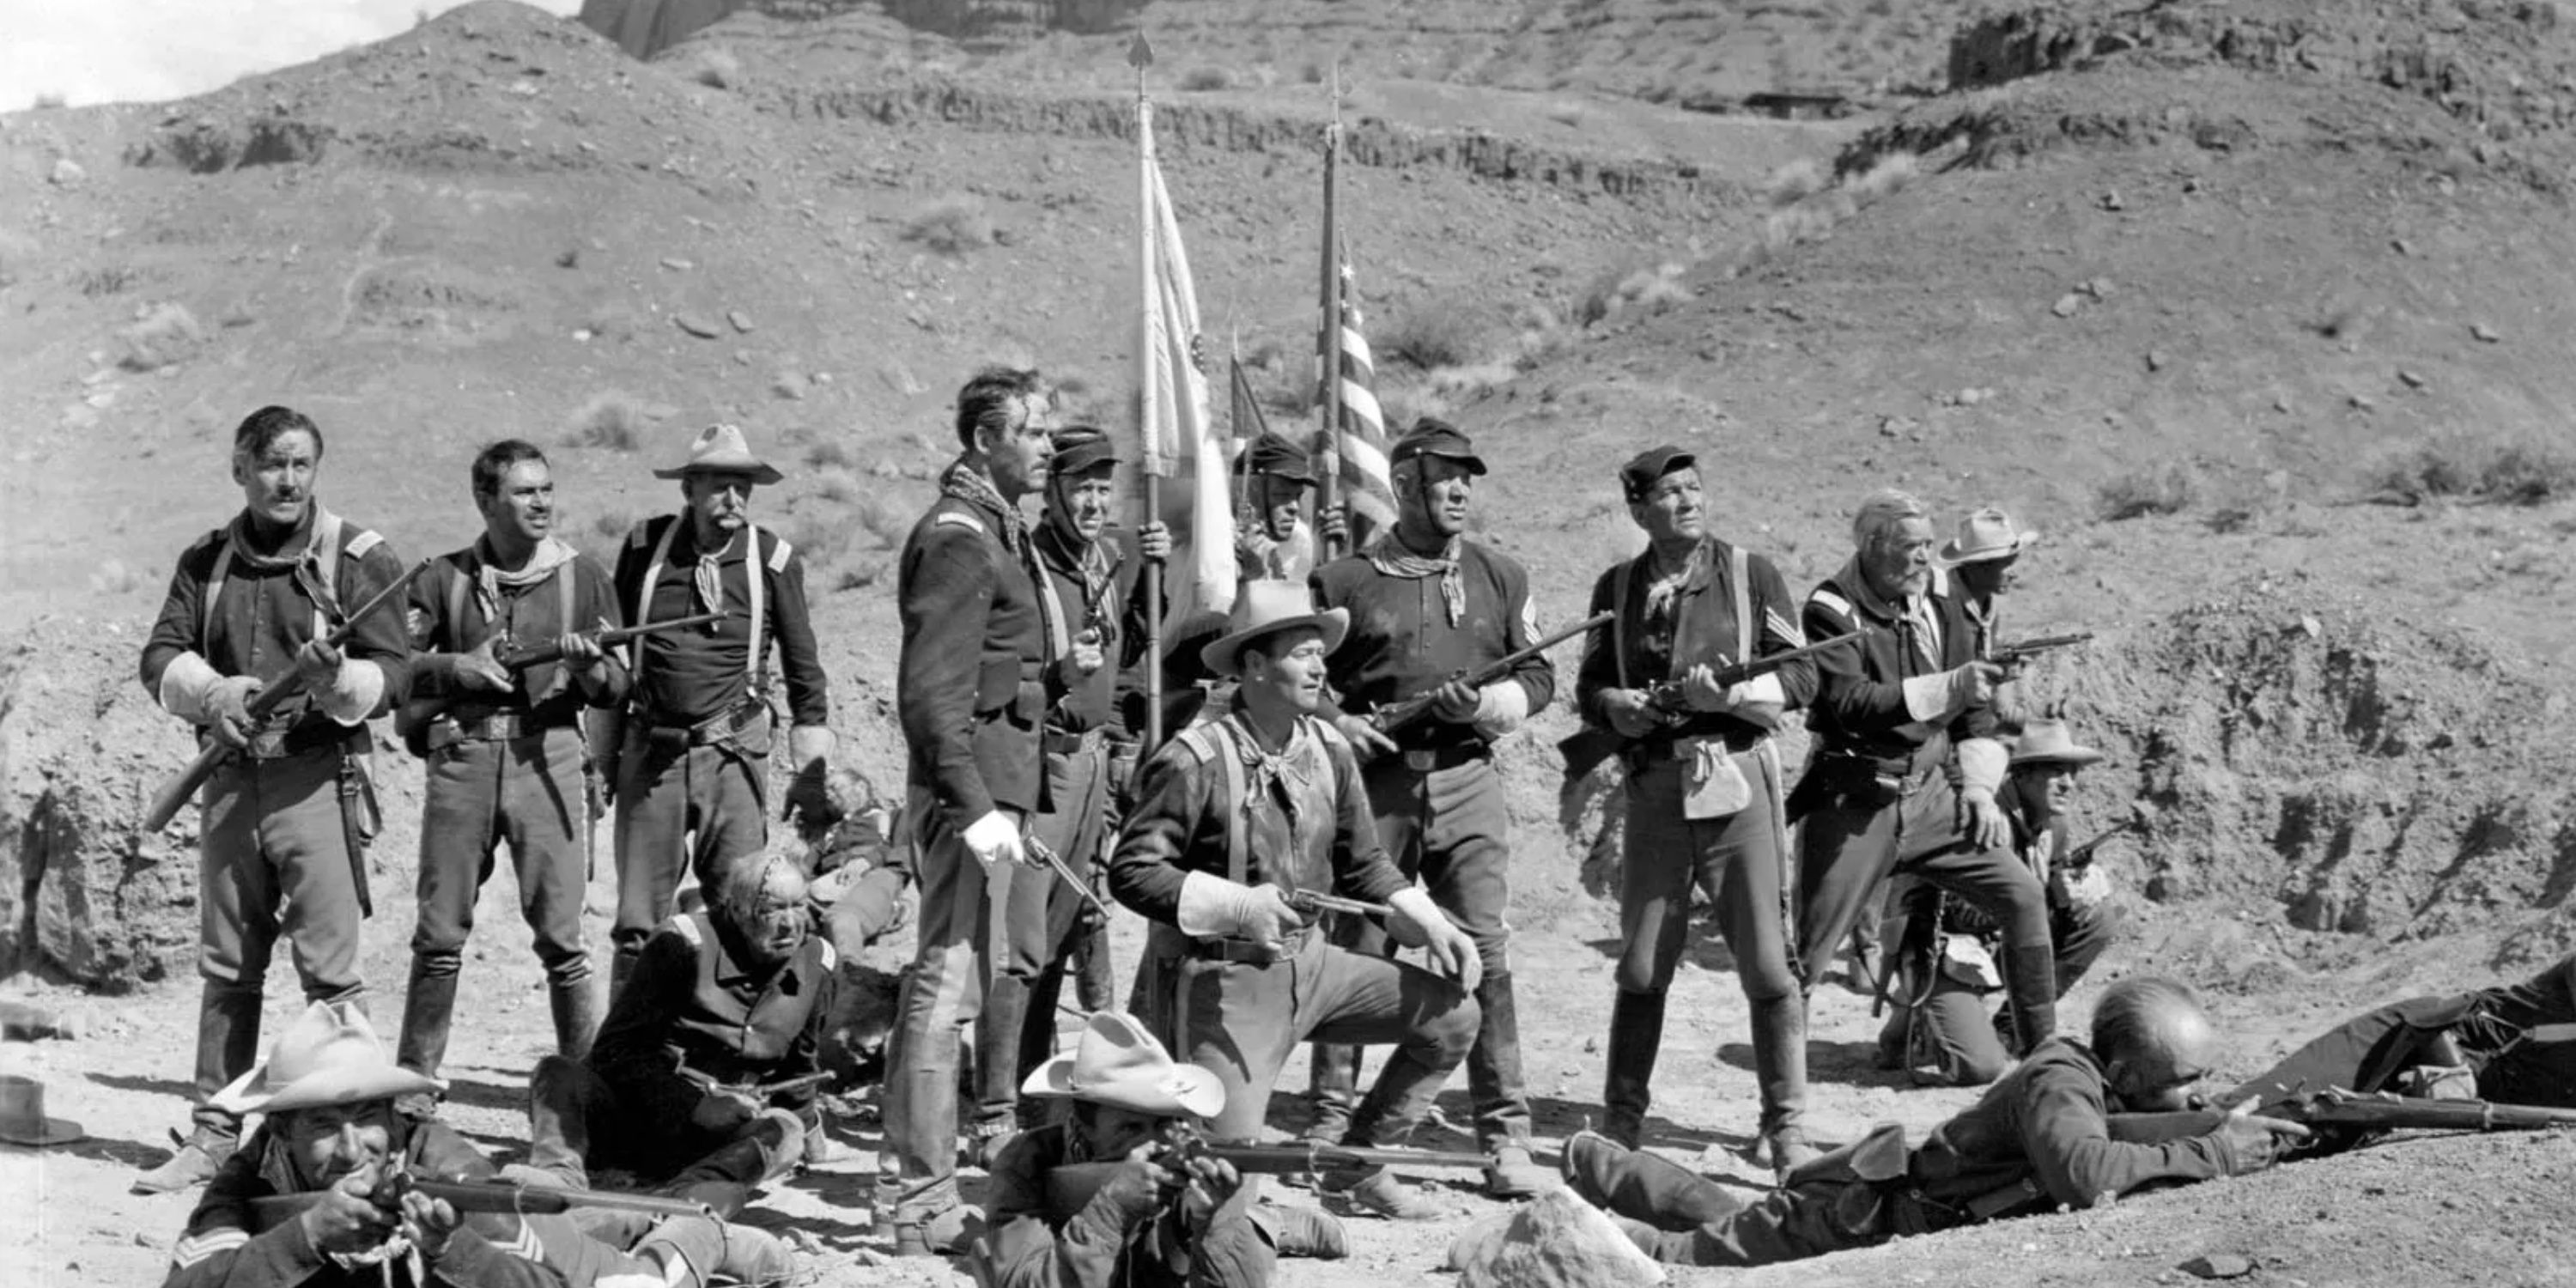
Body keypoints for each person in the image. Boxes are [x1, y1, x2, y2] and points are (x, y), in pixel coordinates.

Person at [1108, 580, 1485, 1221]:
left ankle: (1355, 1165)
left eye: (1321, 653)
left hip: (1313, 968)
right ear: (1254, 665)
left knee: (1454, 1018)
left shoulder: (1328, 749)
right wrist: (1236, 905)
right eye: (1303, 653)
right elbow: (1132, 871)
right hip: (1225, 988)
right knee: (1224, 1191)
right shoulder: (1193, 760)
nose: (1320, 667)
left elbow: (1360, 861)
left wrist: (1419, 910)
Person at [137, 405, 415, 1194]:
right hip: (228, 782)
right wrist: (211, 689)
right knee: (228, 966)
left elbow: (396, 673)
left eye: (300, 464)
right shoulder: (206, 561)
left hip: (315, 779)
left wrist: (339, 682)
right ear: (240, 470)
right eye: (271, 465)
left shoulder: (359, 557)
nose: (287, 480)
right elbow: (160, 652)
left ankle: (358, 1148)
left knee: (331, 973)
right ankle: (214, 1135)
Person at [1554, 977, 2307, 1267]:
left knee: (1743, 1222)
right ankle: (1563, 1208)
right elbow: (2084, 1177)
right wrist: (2216, 1153)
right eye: (2188, 1082)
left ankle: (1599, 1162)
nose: (2198, 1095)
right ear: (2134, 1077)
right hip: (1861, 1217)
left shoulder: (2101, 1086)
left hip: (1873, 1205)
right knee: (1683, 1259)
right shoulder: (2060, 1082)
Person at [1304, 418, 1556, 1200]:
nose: (1459, 490)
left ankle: (1505, 1135)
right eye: (1445, 477)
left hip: (1468, 780)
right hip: (1372, 791)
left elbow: (1541, 679)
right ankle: (1327, 1122)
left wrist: (1484, 703)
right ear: (1405, 484)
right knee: (1359, 944)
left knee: (1485, 950)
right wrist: (1340, 724)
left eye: (1467, 478)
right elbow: (1301, 677)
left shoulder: (1501, 574)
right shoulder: (1344, 582)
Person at [165, 999, 787, 1288]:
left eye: (367, 1117)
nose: (354, 1149)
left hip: (512, 1227)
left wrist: (450, 1245)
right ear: (280, 1131)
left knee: (640, 1281)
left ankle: (709, 1227)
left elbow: (541, 1281)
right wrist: (307, 1236)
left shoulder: (441, 1161)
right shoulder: (250, 1181)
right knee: (605, 1212)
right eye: (324, 1126)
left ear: (393, 1112)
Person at [1572, 446, 1820, 1167]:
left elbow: (1802, 674)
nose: (1687, 501)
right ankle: (1621, 1122)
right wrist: (1614, 705)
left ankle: (1787, 1128)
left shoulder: (1751, 575)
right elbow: (1589, 686)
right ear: (1637, 510)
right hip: (1653, 789)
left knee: (1769, 966)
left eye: (1694, 488)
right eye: (1670, 493)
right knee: (1643, 965)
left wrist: (1733, 698)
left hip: (1736, 781)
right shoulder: (1615, 587)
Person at [879, 367, 1057, 1254]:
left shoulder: (993, 530)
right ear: (986, 440)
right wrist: (976, 806)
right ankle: (920, 1204)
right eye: (1033, 432)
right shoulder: (960, 538)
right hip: (970, 799)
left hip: (991, 791)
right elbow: (931, 699)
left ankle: (899, 1187)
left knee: (947, 984)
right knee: (945, 989)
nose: (1048, 446)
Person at [1790, 489, 2060, 1063]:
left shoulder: (1938, 604)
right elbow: (1852, 703)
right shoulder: (1830, 610)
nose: (1922, 559)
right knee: (1806, 960)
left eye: (1926, 547)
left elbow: (1974, 715)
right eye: (1909, 548)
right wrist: (1952, 687)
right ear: (1872, 548)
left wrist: (1982, 792)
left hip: (1934, 797)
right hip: (1856, 801)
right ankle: (1781, 1113)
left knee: (2023, 896)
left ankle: (2046, 1065)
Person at [395, 440, 627, 1087]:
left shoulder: (586, 577)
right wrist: (455, 666)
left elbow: (617, 690)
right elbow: (392, 669)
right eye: (525, 492)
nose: (542, 502)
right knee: (439, 937)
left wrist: (591, 669)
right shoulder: (440, 579)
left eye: (547, 489)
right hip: (463, 756)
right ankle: (413, 1092)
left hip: (548, 754)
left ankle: (584, 1094)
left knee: (563, 941)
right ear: (485, 500)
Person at [971, 424, 1169, 1160]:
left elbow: (1136, 652)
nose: (1092, 500)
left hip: (1091, 767)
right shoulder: (1026, 563)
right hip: (1038, 762)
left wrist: (1156, 575)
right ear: (1051, 490)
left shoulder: (1108, 560)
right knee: (1017, 949)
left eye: (1100, 487)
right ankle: (992, 1111)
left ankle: (1033, 1095)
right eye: (1079, 485)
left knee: (1060, 942)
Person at [601, 422, 832, 995]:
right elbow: (609, 650)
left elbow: (804, 668)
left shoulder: (772, 560)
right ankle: (622, 1058)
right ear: (690, 489)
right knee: (637, 925)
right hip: (652, 754)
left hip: (733, 755)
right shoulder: (642, 548)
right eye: (719, 486)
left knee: (740, 910)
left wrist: (812, 771)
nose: (734, 499)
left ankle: (731, 1049)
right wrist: (602, 756)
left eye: (743, 487)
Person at [527, 848, 839, 1217]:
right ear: (736, 910)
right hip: (634, 1121)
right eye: (772, 910)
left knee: (783, 1131)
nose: (790, 924)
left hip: (712, 1145)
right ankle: (555, 1179)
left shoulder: (818, 964)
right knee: (557, 1073)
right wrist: (695, 1105)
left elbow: (799, 1069)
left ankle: (687, 1195)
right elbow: (615, 1054)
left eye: (798, 906)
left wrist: (807, 1137)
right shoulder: (682, 946)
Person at [1877, 719, 2124, 1086]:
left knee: (2097, 920)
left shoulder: (2053, 828)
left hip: (1992, 943)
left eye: (2073, 773)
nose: (2068, 783)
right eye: (2056, 771)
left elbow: (2039, 896)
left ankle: (2009, 1029)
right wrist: (2036, 894)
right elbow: (1956, 910)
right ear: (2022, 776)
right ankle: (1915, 1008)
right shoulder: (1980, 816)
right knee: (1980, 1068)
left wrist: (2071, 888)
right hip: (1939, 947)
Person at [977, 1011, 1293, 1286]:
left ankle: (1278, 1223)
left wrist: (1217, 1221)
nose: (1152, 1143)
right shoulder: (1028, 1163)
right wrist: (1111, 1210)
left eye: (1162, 1124)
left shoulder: (1190, 1163)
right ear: (1081, 1128)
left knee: (1251, 1232)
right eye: (1130, 1129)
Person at [2233, 952, 2576, 1133]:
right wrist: (2455, 1075)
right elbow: (2434, 1021)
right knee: (2252, 1105)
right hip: (2417, 1039)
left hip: (2476, 1082)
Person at [1233, 430, 1340, 583]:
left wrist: (1330, 556)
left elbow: (1301, 602)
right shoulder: (1216, 542)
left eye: (1297, 496)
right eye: (1281, 495)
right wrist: (1251, 573)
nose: (1294, 507)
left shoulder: (1299, 538)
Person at [1939, 506, 2037, 660]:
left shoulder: (1987, 608)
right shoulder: (1941, 607)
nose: (2014, 575)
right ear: (1979, 566)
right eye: (2007, 565)